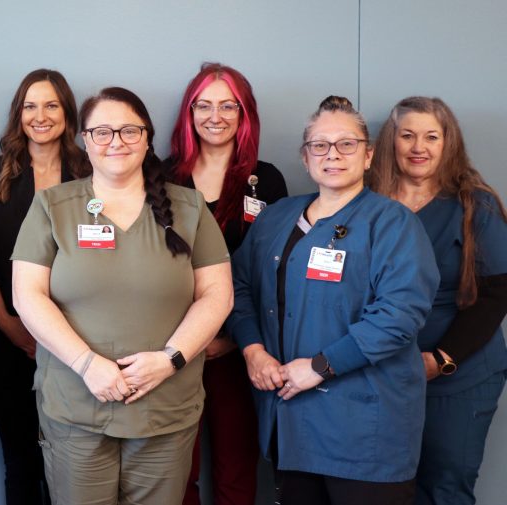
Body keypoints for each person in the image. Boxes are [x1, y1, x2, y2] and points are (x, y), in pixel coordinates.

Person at [12, 86, 233, 504]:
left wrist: (171, 360)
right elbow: (28, 296)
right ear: (84, 140)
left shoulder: (189, 207)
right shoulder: (52, 206)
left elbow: (217, 296)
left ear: (148, 137)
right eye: (102, 132)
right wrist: (87, 363)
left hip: (165, 406)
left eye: (130, 131)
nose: (116, 142)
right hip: (76, 405)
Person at [228, 96, 439, 505]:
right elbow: (238, 287)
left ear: (368, 155)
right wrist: (253, 350)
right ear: (305, 157)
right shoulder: (276, 218)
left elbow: (398, 316)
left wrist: (322, 367)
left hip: (364, 429)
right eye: (320, 145)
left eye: (347, 144)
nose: (333, 155)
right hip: (289, 421)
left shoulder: (393, 223)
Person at [368, 96, 507, 505]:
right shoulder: (366, 202)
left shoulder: (473, 204)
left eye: (431, 136)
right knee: (386, 487)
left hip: (458, 375)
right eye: (407, 135)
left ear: (448, 143)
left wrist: (441, 358)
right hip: (383, 374)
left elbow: (497, 293)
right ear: (390, 142)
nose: (418, 147)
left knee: (445, 486)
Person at [165, 62, 288, 505]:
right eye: (203, 105)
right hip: (173, 347)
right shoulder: (162, 177)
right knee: (178, 472)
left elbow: (274, 267)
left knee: (237, 469)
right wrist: (191, 341)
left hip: (242, 346)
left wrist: (237, 337)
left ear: (244, 114)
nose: (214, 115)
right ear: (189, 113)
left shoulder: (266, 179)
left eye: (228, 105)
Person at [0, 68, 89, 505]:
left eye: (52, 105)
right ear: (18, 114)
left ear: (68, 113)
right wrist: (7, 324)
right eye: (30, 106)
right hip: (9, 337)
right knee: (19, 459)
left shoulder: (91, 171)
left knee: (74, 460)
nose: (40, 116)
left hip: (80, 340)